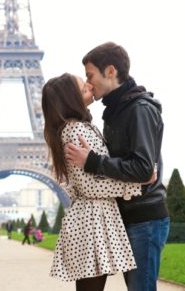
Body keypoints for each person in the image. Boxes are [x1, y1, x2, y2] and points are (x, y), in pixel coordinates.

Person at [65, 42, 170, 291]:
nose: (88, 84)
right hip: (129, 215)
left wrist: (92, 161)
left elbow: (144, 168)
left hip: (144, 217)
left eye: (90, 75)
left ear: (110, 71)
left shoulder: (139, 109)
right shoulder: (116, 110)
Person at [42, 72, 142, 291]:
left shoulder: (76, 127)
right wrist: (136, 183)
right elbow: (90, 185)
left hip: (92, 219)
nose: (88, 85)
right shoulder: (76, 129)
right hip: (92, 222)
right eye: (82, 84)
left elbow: (78, 183)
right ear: (69, 96)